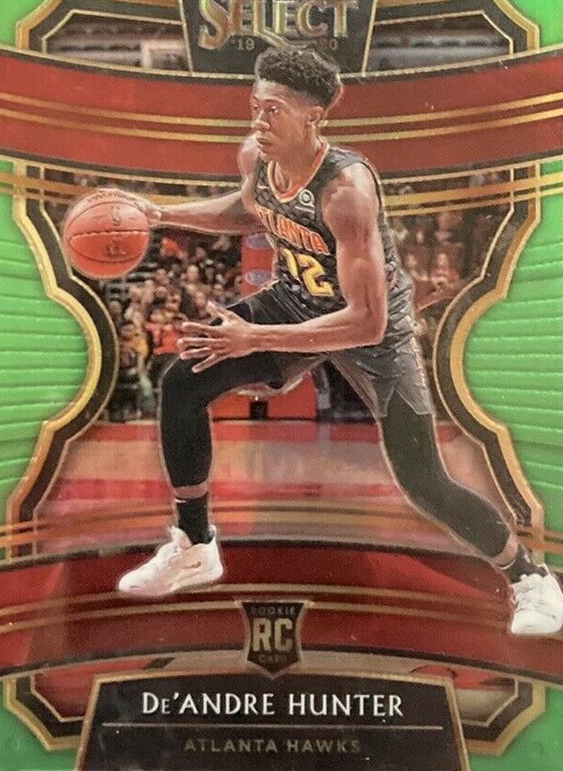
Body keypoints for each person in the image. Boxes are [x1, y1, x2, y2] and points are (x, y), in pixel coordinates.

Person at [115, 48, 563, 636]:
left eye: (273, 110)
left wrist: (254, 337)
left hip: (373, 327)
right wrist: (162, 213)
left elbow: (366, 323)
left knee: (422, 480)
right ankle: (195, 546)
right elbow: (249, 209)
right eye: (255, 106)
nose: (258, 121)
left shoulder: (345, 191)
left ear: (313, 118)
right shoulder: (257, 157)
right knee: (183, 380)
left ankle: (530, 577)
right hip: (296, 298)